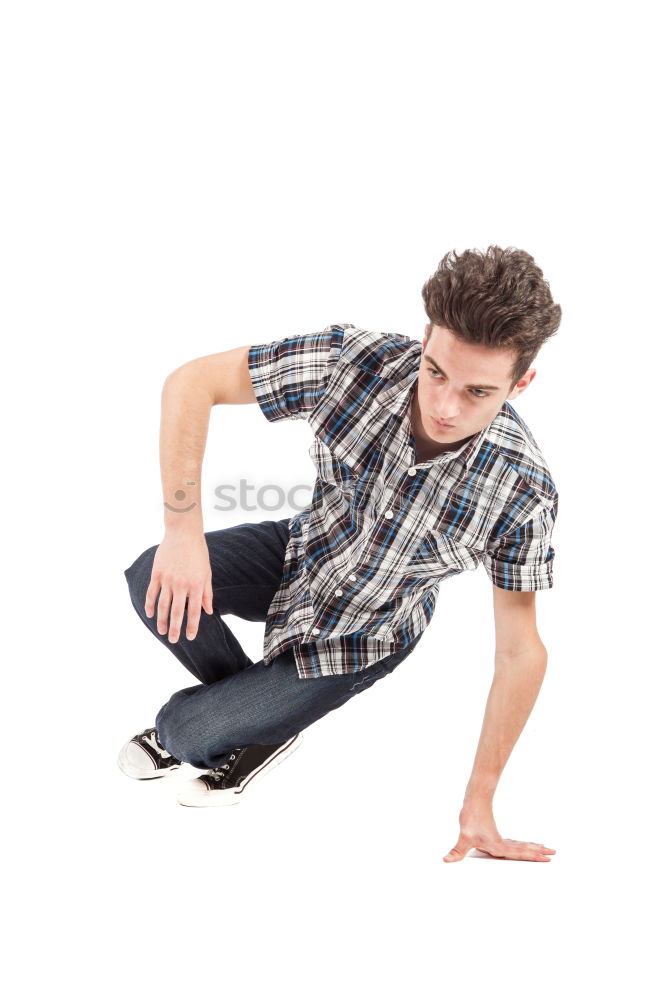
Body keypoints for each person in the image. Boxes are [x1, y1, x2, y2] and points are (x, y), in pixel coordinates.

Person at [119, 245, 560, 863]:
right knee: (151, 577)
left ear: (521, 383)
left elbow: (520, 649)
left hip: (365, 634)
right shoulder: (356, 362)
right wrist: (183, 531)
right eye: (435, 372)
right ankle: (260, 730)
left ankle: (234, 724)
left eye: (478, 391)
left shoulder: (524, 489)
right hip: (302, 551)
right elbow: (193, 381)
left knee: (184, 732)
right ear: (423, 338)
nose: (444, 407)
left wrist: (479, 801)